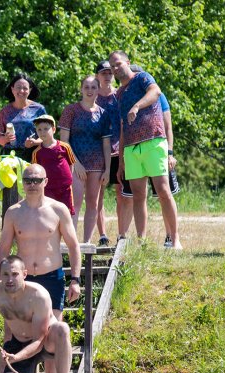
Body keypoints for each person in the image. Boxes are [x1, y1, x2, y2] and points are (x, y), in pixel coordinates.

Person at [0, 163, 81, 373]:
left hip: (51, 278)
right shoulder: (13, 212)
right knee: (11, 333)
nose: (32, 184)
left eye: (36, 180)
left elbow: (73, 247)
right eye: (27, 180)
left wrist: (75, 279)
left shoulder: (58, 209)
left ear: (45, 181)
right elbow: (3, 249)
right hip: (21, 281)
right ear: (22, 182)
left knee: (50, 336)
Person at [109, 51, 182, 249]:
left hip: (153, 142)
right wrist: (122, 159)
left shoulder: (142, 77)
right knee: (138, 196)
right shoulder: (119, 94)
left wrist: (136, 106)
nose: (116, 69)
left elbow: (155, 92)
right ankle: (142, 243)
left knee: (163, 190)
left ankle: (174, 240)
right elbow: (124, 126)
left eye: (118, 64)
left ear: (127, 62)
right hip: (132, 149)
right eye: (112, 66)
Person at [59, 75, 112, 243]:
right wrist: (76, 163)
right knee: (74, 204)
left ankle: (86, 242)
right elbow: (63, 141)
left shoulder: (103, 114)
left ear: (98, 90)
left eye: (93, 87)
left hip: (97, 164)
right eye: (86, 87)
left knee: (93, 204)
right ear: (81, 89)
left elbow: (106, 144)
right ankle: (71, 241)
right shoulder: (71, 110)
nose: (90, 90)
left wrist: (108, 169)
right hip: (75, 164)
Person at [95, 60, 129, 243]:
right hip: (98, 151)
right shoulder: (93, 96)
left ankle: (122, 233)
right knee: (98, 195)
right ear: (97, 76)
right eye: (103, 73)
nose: (107, 76)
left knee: (121, 193)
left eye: (110, 72)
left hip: (119, 149)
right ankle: (102, 235)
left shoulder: (120, 94)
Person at [30, 114, 83, 218]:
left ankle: (67, 233)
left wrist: (68, 180)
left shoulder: (64, 147)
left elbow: (71, 163)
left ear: (54, 129)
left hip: (65, 189)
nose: (42, 132)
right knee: (49, 215)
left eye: (46, 129)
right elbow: (36, 172)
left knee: (65, 215)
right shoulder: (37, 152)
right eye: (39, 129)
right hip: (48, 189)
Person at [0, 73, 47, 162]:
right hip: (9, 157)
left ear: (30, 90)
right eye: (18, 87)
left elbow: (47, 135)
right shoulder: (5, 111)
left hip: (34, 155)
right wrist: (5, 139)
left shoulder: (39, 109)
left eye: (25, 88)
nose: (21, 91)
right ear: (12, 89)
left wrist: (35, 142)